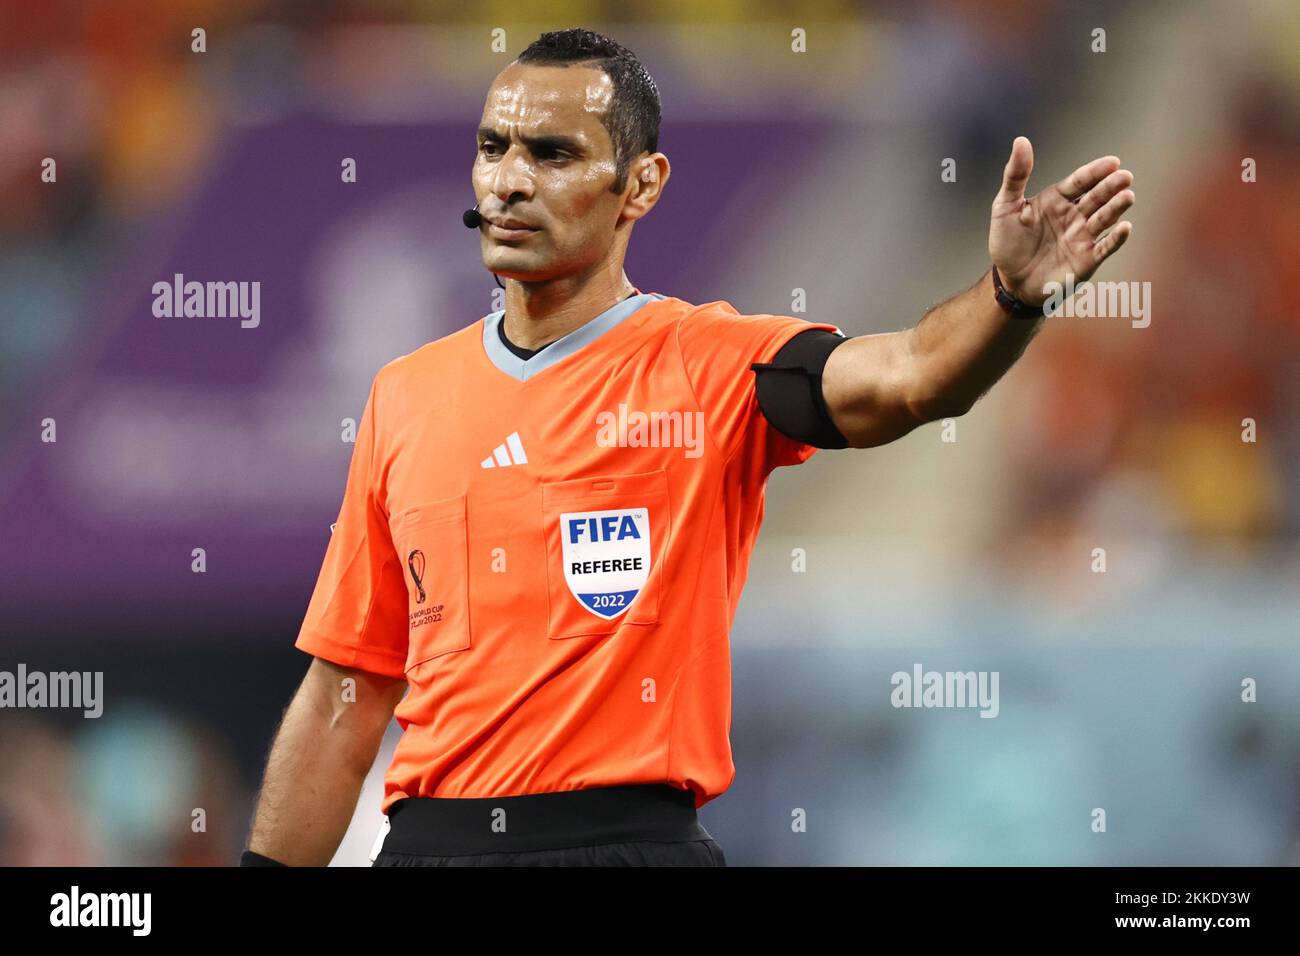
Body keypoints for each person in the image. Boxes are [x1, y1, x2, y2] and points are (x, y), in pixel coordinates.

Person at [242, 27, 1134, 867]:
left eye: (552, 154)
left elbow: (910, 377)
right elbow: (343, 701)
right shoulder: (405, 396)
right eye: (493, 149)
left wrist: (1010, 297)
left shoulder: (713, 366)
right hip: (427, 848)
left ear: (642, 185)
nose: (509, 181)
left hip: (629, 842)